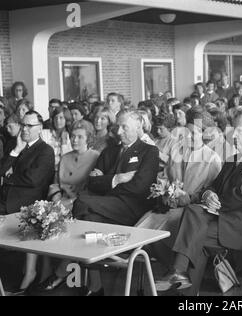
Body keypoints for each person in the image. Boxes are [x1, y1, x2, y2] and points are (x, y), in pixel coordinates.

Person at [156, 112, 242, 295]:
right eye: (233, 131)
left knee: (192, 235)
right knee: (193, 223)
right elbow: (213, 186)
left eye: (240, 131)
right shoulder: (233, 159)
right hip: (225, 218)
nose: (234, 135)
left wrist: (217, 201)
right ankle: (180, 277)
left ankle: (179, 275)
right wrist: (208, 195)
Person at [37, 111, 159, 295]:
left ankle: (61, 272)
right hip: (102, 207)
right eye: (117, 126)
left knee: (82, 201)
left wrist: (106, 182)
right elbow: (92, 182)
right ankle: (96, 287)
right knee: (89, 225)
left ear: (138, 127)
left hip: (131, 208)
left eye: (124, 127)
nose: (119, 131)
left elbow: (140, 188)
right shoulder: (109, 151)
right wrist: (118, 178)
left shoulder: (149, 151)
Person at [16, 120, 100, 295]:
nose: (75, 140)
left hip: (80, 204)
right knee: (36, 221)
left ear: (88, 138)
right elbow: (54, 184)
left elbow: (92, 188)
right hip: (60, 201)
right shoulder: (65, 157)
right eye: (72, 136)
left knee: (55, 224)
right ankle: (34, 273)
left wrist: (69, 202)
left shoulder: (95, 157)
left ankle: (58, 275)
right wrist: (56, 200)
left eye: (80, 137)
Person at [136, 108, 222, 268]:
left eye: (194, 133)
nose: (189, 137)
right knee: (145, 225)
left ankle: (174, 268)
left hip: (191, 211)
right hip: (169, 205)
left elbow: (211, 192)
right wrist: (163, 189)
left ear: (204, 134)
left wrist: (186, 196)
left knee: (162, 229)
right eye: (186, 133)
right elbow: (165, 177)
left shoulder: (212, 159)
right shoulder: (178, 152)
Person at [0, 111, 55, 215]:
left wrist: (6, 179)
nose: (24, 129)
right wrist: (16, 150)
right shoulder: (14, 144)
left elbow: (32, 179)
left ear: (40, 128)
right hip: (4, 197)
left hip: (23, 202)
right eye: (23, 125)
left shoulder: (45, 150)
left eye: (29, 126)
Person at [41, 107, 73, 172]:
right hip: (46, 170)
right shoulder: (44, 133)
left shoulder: (71, 135)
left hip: (64, 171)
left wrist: (64, 143)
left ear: (66, 119)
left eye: (61, 118)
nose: (58, 121)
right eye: (56, 118)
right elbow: (43, 156)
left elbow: (67, 159)